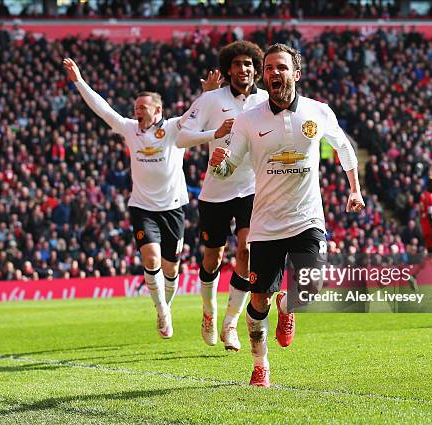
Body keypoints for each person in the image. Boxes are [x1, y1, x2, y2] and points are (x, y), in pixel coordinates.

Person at [209, 44, 364, 386]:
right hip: (265, 225)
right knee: (258, 301)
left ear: (296, 73)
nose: (273, 73)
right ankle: (260, 365)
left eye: (281, 68)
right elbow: (230, 165)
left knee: (309, 287)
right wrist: (217, 165)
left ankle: (289, 306)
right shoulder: (249, 119)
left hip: (307, 218)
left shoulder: (318, 112)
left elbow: (343, 147)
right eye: (268, 69)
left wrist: (354, 189)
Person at [63, 58, 218, 338]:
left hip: (172, 208)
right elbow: (103, 110)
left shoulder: (172, 128)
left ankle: (165, 306)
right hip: (142, 208)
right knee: (151, 259)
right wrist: (79, 81)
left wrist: (207, 94)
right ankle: (162, 312)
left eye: (142, 108)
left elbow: (195, 114)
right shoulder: (129, 129)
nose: (137, 112)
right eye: (135, 108)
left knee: (172, 269)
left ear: (157, 110)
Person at [177, 41, 269, 351]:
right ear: (228, 69)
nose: (243, 69)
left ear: (256, 69)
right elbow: (180, 138)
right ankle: (209, 312)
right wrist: (213, 134)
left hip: (251, 188)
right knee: (213, 256)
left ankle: (231, 323)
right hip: (216, 190)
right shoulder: (211, 100)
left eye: (248, 64)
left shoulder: (267, 101)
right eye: (237, 64)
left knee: (247, 252)